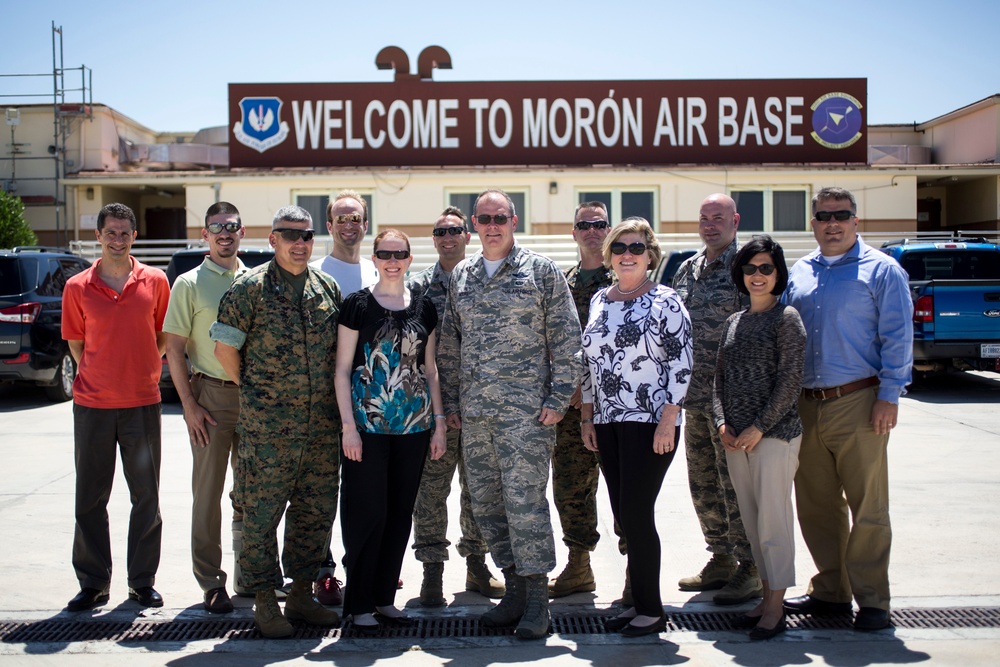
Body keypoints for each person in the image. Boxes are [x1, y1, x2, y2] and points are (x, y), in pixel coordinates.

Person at [438, 188, 581, 640]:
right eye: (484, 218)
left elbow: (567, 339)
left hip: (527, 419)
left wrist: (558, 401)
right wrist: (455, 404)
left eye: (500, 217)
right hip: (477, 416)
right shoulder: (462, 274)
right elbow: (449, 345)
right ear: (473, 226)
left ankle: (538, 600)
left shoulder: (541, 271)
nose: (492, 225)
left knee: (525, 505)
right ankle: (514, 589)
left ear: (514, 220)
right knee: (487, 506)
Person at [782, 187, 913, 632]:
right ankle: (831, 591)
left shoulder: (883, 271)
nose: (832, 223)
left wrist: (889, 395)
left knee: (868, 505)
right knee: (816, 506)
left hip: (860, 402)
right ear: (813, 223)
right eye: (823, 215)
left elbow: (898, 336)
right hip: (806, 404)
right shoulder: (799, 272)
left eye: (842, 215)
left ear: (857, 220)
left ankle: (873, 600)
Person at [210, 205, 342, 638]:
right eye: (289, 235)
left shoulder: (327, 288)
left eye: (305, 236)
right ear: (272, 240)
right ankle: (265, 601)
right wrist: (255, 390)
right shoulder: (250, 288)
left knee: (314, 513)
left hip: (320, 430)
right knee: (262, 517)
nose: (299, 244)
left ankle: (301, 594)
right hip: (267, 433)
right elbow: (225, 349)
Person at [580, 218, 693, 637]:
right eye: (620, 247)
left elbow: (682, 362)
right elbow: (591, 362)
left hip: (650, 422)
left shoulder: (667, 301)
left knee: (636, 514)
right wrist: (588, 415)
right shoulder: (599, 301)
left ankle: (651, 609)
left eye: (637, 248)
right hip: (608, 421)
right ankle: (637, 601)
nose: (628, 254)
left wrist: (669, 417)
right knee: (624, 517)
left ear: (651, 255)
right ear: (609, 255)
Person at [335, 229, 447, 633]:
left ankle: (384, 598)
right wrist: (348, 426)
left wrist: (437, 424)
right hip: (367, 427)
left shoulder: (425, 307)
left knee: (400, 514)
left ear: (408, 257)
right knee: (368, 513)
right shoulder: (357, 305)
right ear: (376, 256)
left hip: (414, 428)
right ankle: (358, 603)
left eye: (399, 253)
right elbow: (343, 369)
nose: (392, 260)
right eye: (385, 253)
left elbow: (429, 370)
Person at [62, 202, 170, 611]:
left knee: (146, 497)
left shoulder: (156, 281)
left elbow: (161, 336)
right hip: (92, 405)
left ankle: (142, 581)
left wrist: (143, 368)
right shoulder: (77, 287)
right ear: (98, 235)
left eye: (125, 233)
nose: (118, 239)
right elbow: (76, 344)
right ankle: (93, 582)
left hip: (142, 403)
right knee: (90, 497)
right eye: (111, 232)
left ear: (135, 237)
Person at [712, 235, 806, 640]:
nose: (757, 275)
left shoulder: (786, 318)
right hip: (735, 439)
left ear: (778, 273)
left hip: (773, 437)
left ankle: (775, 607)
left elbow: (790, 380)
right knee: (752, 524)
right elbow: (718, 379)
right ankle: (765, 597)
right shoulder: (735, 321)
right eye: (750, 269)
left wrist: (759, 427)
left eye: (766, 268)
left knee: (773, 522)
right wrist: (721, 423)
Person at [408, 207, 503, 606]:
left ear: (468, 235)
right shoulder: (416, 289)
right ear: (433, 238)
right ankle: (432, 571)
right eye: (439, 231)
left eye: (454, 230)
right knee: (429, 491)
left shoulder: (486, 282)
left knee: (478, 491)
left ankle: (477, 566)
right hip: (431, 410)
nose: (447, 237)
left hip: (480, 406)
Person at [672, 193, 760, 605]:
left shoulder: (749, 267)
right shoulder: (688, 269)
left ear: (735, 220)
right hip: (694, 400)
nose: (710, 225)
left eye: (718, 217)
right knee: (703, 485)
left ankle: (752, 567)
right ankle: (721, 557)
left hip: (733, 403)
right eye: (704, 217)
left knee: (736, 487)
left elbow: (762, 331)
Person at [163, 202, 249, 613]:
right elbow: (174, 350)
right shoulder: (188, 284)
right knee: (208, 493)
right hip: (211, 398)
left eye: (231, 226)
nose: (224, 233)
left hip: (253, 398)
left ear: (241, 231)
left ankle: (252, 575)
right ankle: (212, 582)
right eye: (216, 227)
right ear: (205, 234)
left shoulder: (256, 279)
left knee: (253, 491)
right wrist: (189, 406)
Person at [550, 201, 628, 601]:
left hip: (619, 407)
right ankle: (579, 566)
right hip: (571, 407)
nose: (592, 231)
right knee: (570, 487)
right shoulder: (562, 282)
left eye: (599, 224)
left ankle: (636, 571)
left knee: (625, 487)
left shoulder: (626, 278)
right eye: (585, 225)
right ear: (574, 231)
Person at [309, 188, 378, 603]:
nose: (350, 225)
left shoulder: (376, 272)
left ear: (364, 225)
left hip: (368, 404)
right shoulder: (316, 272)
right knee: (319, 490)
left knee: (363, 491)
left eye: (357, 218)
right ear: (330, 225)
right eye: (342, 218)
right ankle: (323, 571)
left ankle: (364, 565)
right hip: (321, 401)